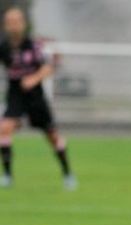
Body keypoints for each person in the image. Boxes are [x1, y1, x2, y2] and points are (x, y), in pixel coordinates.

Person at [0, 7, 76, 189]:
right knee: (4, 128)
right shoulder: (4, 46)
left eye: (17, 21)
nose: (14, 25)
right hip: (15, 93)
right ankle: (8, 176)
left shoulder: (34, 45)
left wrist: (33, 79)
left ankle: (68, 174)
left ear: (23, 24)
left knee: (52, 135)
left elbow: (49, 67)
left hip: (35, 95)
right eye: (10, 22)